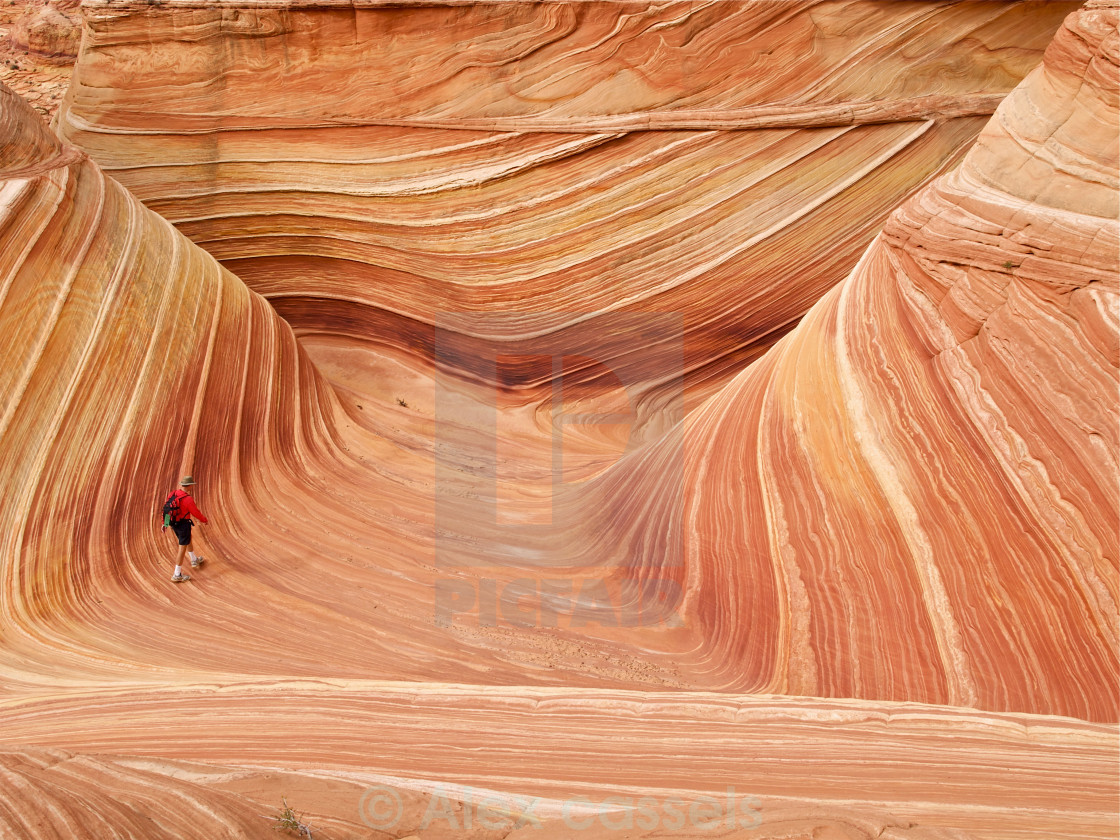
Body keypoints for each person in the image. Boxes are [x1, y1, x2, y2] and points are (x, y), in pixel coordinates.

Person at [163, 475, 208, 582]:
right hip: (183, 524)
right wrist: (204, 520)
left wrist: (165, 523)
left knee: (188, 539)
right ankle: (177, 574)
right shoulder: (187, 499)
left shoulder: (172, 494)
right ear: (190, 486)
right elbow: (195, 512)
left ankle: (194, 560)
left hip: (173, 524)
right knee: (182, 548)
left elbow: (167, 509)